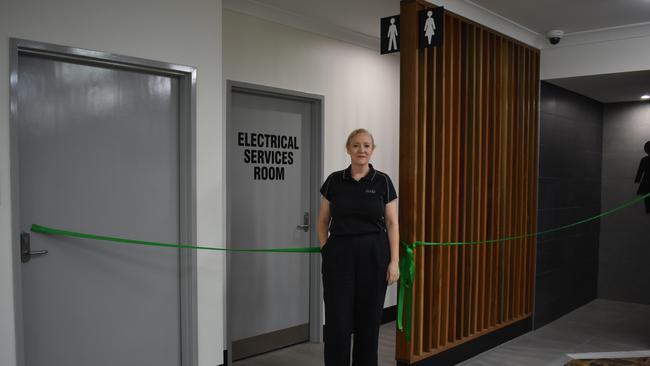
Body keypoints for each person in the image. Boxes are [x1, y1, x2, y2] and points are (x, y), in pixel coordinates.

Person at [318, 128, 400, 366]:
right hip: (339, 256)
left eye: (366, 145)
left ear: (372, 150)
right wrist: (326, 250)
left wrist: (394, 262)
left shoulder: (383, 181)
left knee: (369, 321)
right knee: (337, 321)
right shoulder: (334, 180)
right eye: (356, 145)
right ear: (348, 149)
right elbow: (323, 221)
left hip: (374, 255)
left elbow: (392, 223)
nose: (361, 150)